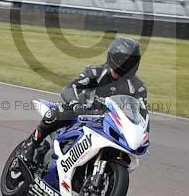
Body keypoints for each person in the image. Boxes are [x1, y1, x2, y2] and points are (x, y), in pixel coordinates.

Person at [22, 36, 148, 165]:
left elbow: (142, 114)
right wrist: (76, 103)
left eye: (129, 62)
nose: (125, 66)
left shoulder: (138, 87)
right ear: (113, 58)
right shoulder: (95, 72)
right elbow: (70, 88)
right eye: (122, 61)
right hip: (81, 112)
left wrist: (143, 136)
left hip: (108, 123)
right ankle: (31, 144)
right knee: (56, 113)